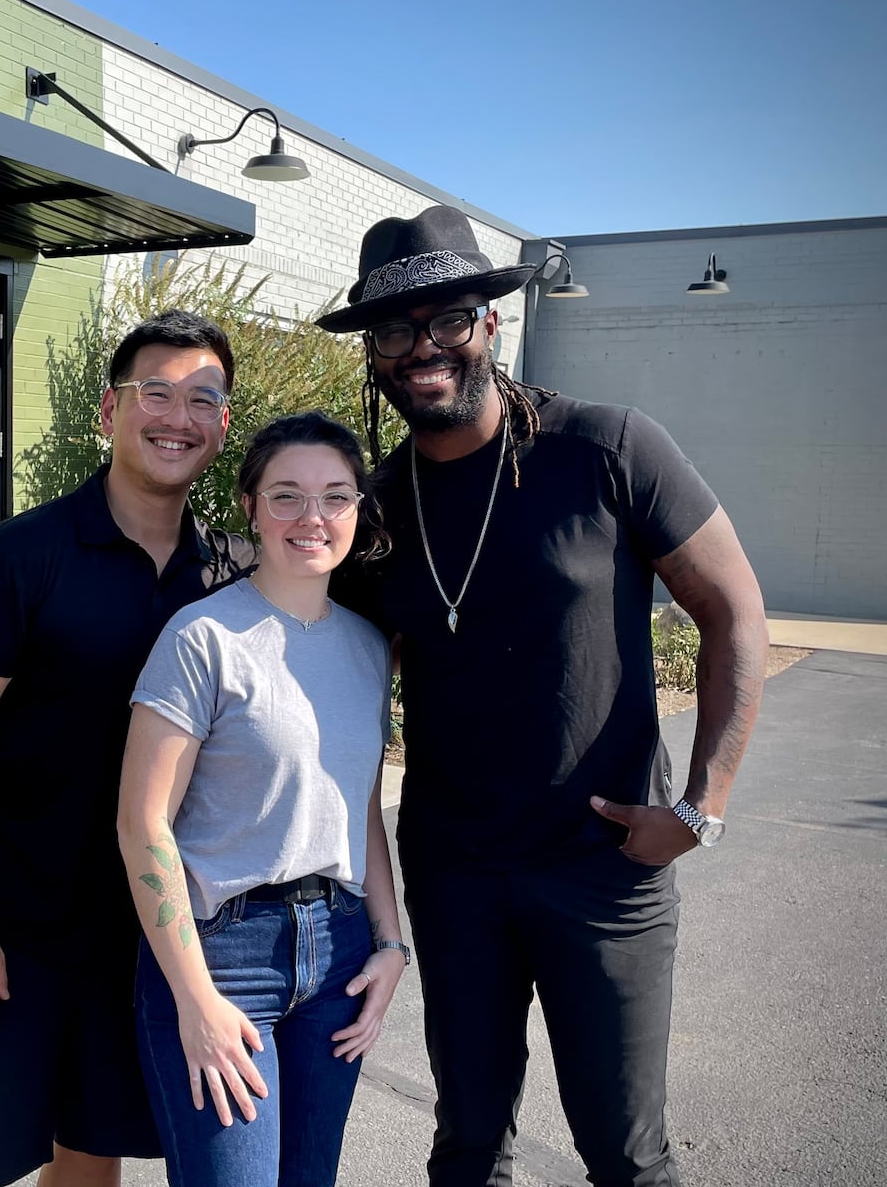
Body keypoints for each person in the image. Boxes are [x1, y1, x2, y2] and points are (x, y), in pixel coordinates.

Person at [318, 205, 769, 1187]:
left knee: (626, 1155)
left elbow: (735, 611)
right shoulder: (374, 511)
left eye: (445, 319)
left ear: (489, 321)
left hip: (601, 872)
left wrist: (703, 809)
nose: (420, 349)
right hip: (456, 880)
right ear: (373, 355)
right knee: (468, 1146)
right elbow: (331, 686)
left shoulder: (605, 450)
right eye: (394, 331)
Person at [0, 310, 252, 1187]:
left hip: (139, 942)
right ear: (108, 411)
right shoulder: (20, 558)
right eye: (154, 394)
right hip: (10, 931)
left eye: (201, 399)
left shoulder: (227, 578)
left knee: (91, 1161)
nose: (177, 416)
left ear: (221, 426)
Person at [118, 412, 407, 1187]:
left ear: (357, 512)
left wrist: (390, 945)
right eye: (286, 496)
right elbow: (142, 824)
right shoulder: (203, 637)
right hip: (224, 956)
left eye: (335, 497)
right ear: (250, 506)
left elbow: (361, 808)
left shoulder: (369, 646)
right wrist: (193, 996)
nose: (311, 518)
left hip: (340, 950)